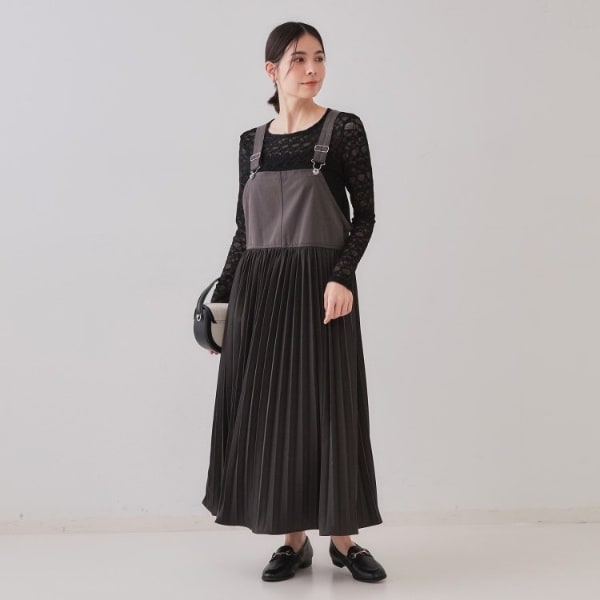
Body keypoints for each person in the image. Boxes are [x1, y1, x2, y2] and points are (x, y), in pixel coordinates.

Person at [202, 21, 386, 583]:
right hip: (259, 292)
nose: (312, 69)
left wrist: (342, 277)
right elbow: (244, 229)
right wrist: (221, 302)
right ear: (272, 70)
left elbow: (364, 216)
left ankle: (344, 541)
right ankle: (292, 540)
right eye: (299, 59)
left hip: (320, 290)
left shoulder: (344, 129)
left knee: (330, 409)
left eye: (319, 58)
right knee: (273, 415)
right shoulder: (251, 143)